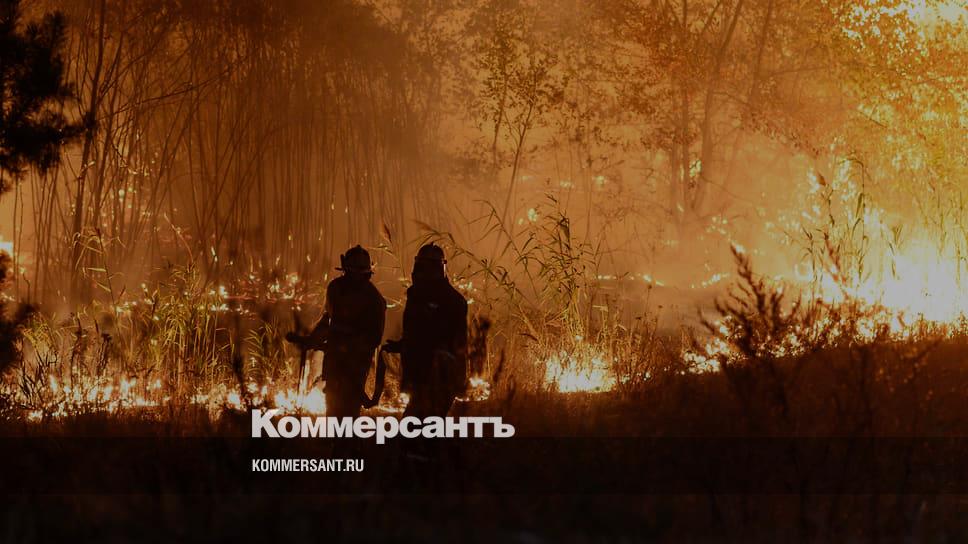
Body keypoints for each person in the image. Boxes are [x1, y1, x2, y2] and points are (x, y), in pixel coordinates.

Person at [286, 245, 385, 418]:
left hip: (355, 365)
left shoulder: (374, 300)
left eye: (358, 274)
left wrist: (346, 347)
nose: (352, 278)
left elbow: (373, 339)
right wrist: (312, 340)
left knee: (348, 409)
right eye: (350, 273)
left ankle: (347, 434)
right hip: (334, 362)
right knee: (332, 406)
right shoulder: (336, 288)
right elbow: (329, 319)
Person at [385, 243, 467, 418]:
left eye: (426, 267)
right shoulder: (418, 295)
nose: (421, 272)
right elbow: (420, 333)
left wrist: (458, 379)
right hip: (420, 377)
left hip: (438, 378)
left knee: (419, 427)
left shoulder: (451, 300)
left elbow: (453, 343)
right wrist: (402, 345)